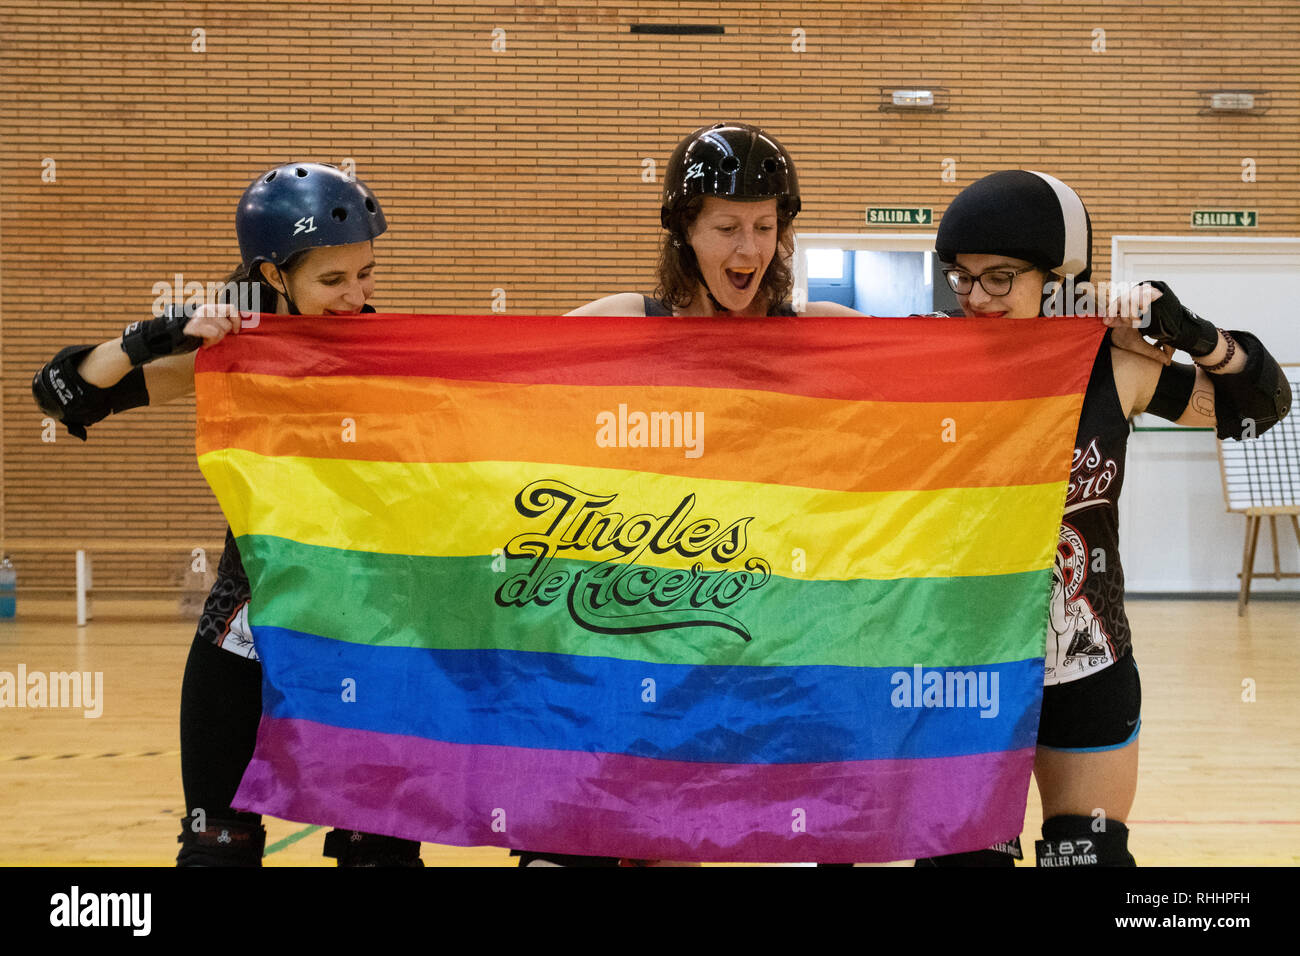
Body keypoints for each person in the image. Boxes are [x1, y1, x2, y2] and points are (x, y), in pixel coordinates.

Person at [32, 162, 425, 866]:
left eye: (366, 275)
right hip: (247, 634)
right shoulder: (233, 352)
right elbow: (64, 393)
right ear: (274, 276)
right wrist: (157, 336)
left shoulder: (395, 351)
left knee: (381, 858)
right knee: (218, 851)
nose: (357, 297)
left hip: (372, 635)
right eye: (332, 281)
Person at [910, 169, 1291, 866]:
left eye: (1001, 277)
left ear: (1058, 278)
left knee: (1086, 861)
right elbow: (785, 341)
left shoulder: (1113, 367)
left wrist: (1196, 335)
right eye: (961, 276)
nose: (975, 297)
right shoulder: (924, 356)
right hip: (960, 663)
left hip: (1086, 661)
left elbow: (1263, 406)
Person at [509, 122, 860, 868]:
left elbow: (966, 362)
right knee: (577, 846)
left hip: (764, 639)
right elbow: (483, 376)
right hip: (640, 633)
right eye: (727, 228)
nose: (750, 250)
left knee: (694, 839)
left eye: (766, 228)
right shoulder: (630, 327)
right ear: (684, 233)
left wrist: (1085, 318)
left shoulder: (816, 337)